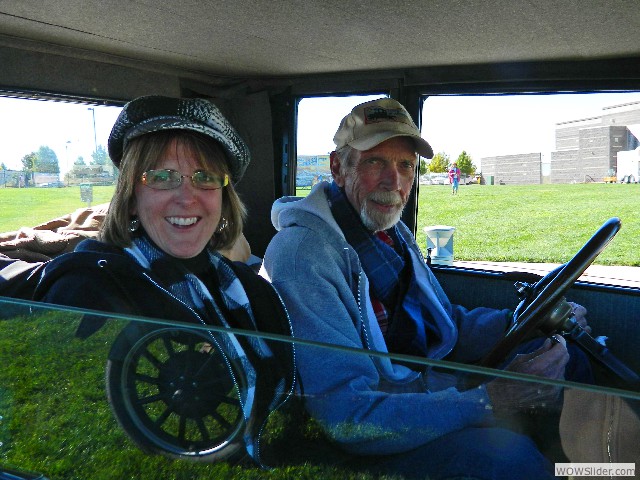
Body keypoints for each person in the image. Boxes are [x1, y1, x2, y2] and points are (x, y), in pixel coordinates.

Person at [261, 98, 592, 479]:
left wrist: (525, 323)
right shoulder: (304, 254)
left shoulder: (390, 233)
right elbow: (347, 418)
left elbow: (442, 323)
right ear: (338, 167)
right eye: (375, 162)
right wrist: (486, 402)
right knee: (507, 458)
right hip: (361, 441)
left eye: (405, 166)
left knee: (562, 354)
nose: (394, 182)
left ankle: (595, 467)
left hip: (425, 387)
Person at [33, 95, 294, 464]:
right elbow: (66, 441)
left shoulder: (247, 288)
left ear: (223, 195)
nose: (186, 197)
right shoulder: (88, 289)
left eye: (204, 177)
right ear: (132, 195)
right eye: (161, 176)